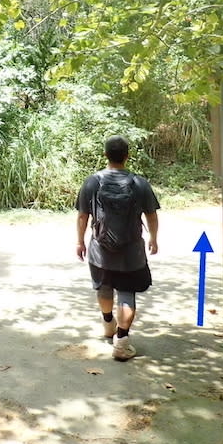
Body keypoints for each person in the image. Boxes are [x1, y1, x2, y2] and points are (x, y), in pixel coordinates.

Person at [75, 135, 159, 360]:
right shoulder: (139, 183)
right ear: (127, 156)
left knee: (103, 287)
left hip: (99, 250)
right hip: (131, 251)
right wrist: (153, 238)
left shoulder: (92, 182)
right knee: (126, 293)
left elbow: (83, 216)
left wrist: (80, 241)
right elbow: (151, 214)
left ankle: (107, 324)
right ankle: (121, 342)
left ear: (105, 155)